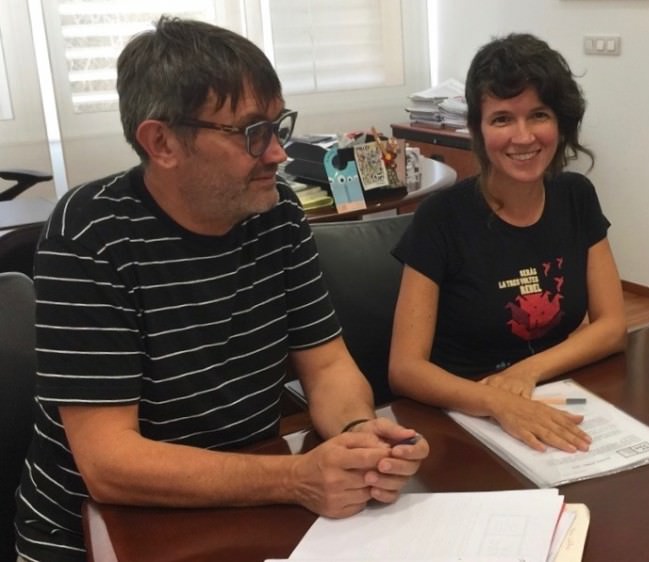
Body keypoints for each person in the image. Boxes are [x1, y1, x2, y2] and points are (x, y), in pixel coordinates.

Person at [14, 17, 428, 562]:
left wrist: (359, 437)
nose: (278, 153)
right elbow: (109, 464)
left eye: (279, 125)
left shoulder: (278, 212)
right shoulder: (91, 232)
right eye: (253, 132)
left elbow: (326, 366)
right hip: (100, 531)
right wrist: (294, 478)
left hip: (241, 499)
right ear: (161, 141)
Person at [388, 33, 627, 453]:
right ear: (479, 130)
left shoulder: (576, 197)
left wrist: (526, 373)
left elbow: (611, 327)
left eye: (538, 115)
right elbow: (405, 369)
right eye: (502, 119)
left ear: (561, 123)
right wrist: (497, 401)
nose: (523, 136)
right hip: (462, 416)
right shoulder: (440, 218)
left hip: (552, 397)